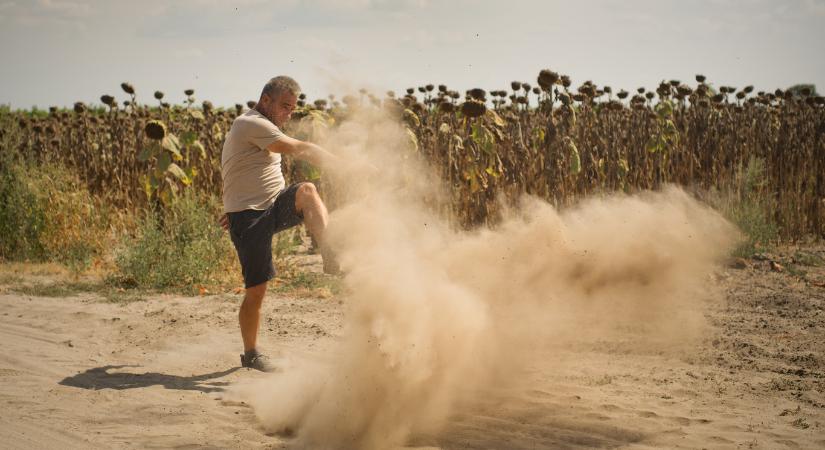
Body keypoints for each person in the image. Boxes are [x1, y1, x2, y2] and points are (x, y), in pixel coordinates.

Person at [219, 75, 340, 372]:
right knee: (256, 290)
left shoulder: (263, 126)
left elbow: (241, 167)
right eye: (284, 106)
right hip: (249, 215)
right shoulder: (251, 123)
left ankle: (331, 255)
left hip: (271, 205)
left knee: (307, 191)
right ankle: (251, 354)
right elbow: (300, 148)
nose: (288, 113)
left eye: (292, 108)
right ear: (265, 100)